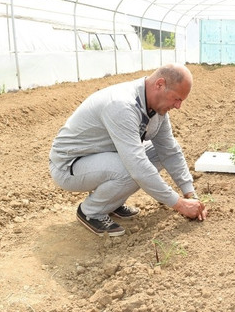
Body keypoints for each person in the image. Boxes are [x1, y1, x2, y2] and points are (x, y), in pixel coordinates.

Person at [49, 63, 207, 237]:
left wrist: (190, 193)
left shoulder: (158, 110)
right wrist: (179, 204)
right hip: (69, 165)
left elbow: (169, 150)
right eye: (177, 98)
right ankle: (91, 211)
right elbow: (137, 167)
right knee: (132, 169)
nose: (178, 106)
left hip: (102, 156)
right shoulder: (122, 105)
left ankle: (112, 203)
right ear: (160, 84)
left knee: (157, 153)